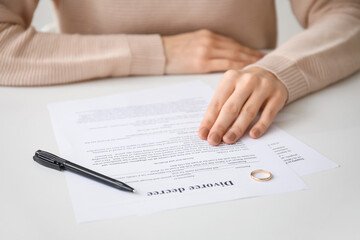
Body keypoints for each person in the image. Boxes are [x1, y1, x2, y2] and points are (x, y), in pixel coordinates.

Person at [0, 0, 359, 146]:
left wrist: (280, 70)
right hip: (84, 118)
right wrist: (160, 52)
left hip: (259, 114)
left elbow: (348, 13)